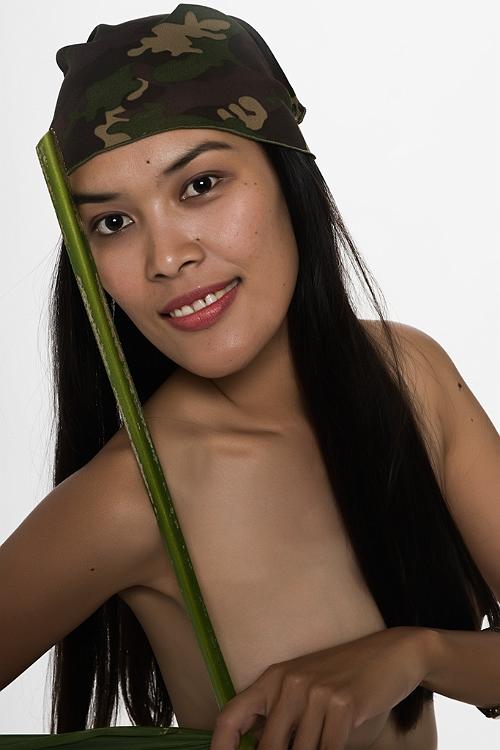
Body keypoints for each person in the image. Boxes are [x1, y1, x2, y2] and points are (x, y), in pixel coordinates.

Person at [1, 4, 500, 749]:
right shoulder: (136, 495)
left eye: (200, 184)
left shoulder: (410, 377)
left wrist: (413, 654)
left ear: (288, 175)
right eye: (112, 222)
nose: (166, 258)